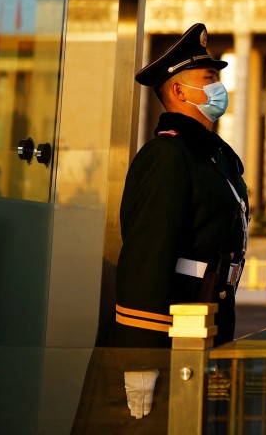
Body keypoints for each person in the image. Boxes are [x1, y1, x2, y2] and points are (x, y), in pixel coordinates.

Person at [103, 24, 250, 421]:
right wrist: (140, 358)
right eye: (209, 79)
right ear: (180, 92)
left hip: (204, 325)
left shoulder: (215, 159)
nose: (219, 87)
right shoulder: (167, 156)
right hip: (169, 336)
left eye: (217, 77)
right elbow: (146, 259)